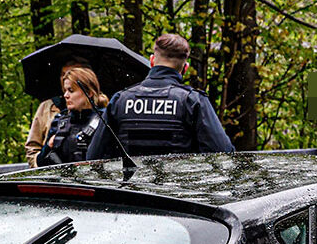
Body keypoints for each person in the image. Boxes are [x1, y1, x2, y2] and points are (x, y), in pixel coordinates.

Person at [85, 33, 234, 159]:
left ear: (151, 61)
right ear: (185, 68)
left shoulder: (120, 100)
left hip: (129, 189)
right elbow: (222, 153)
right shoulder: (192, 101)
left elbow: (94, 156)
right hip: (175, 190)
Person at [35, 64, 109, 166]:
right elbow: (40, 163)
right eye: (65, 90)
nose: (66, 95)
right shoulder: (60, 122)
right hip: (63, 180)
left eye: (71, 90)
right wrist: (49, 146)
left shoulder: (105, 120)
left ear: (89, 92)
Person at [24, 58, 91, 167]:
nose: (65, 77)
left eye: (71, 73)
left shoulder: (99, 115)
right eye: (63, 74)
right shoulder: (48, 107)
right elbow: (32, 148)